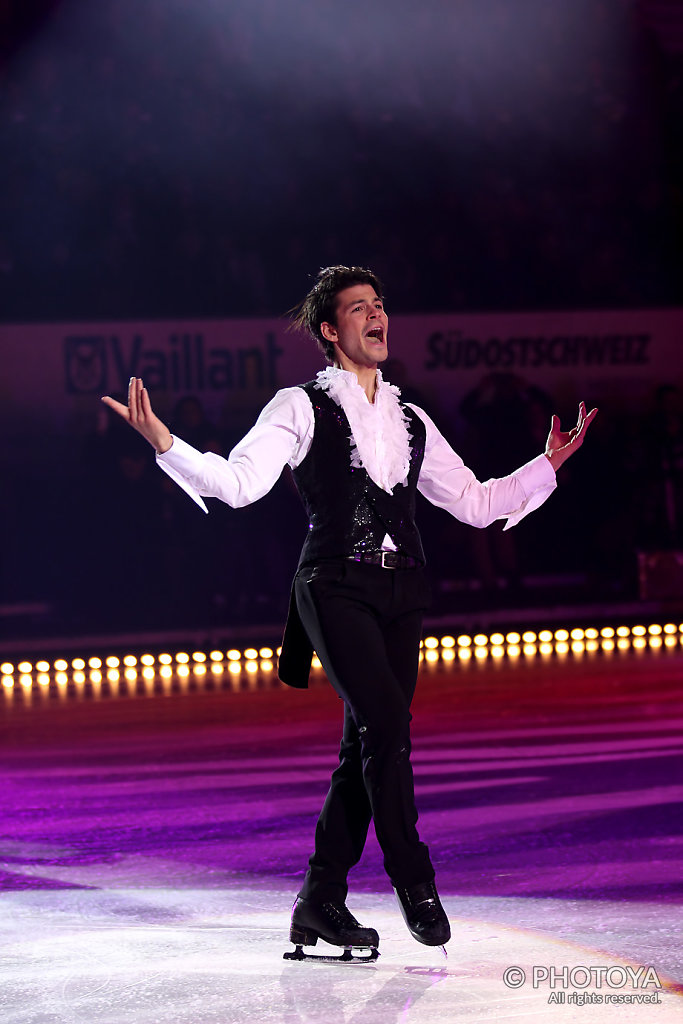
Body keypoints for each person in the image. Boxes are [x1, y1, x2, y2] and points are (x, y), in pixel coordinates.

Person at [102, 265, 597, 959]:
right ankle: (414, 880)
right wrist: (164, 441)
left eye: (381, 304)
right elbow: (240, 485)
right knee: (387, 726)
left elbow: (477, 503)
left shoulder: (410, 419)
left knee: (364, 747)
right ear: (330, 331)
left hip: (403, 593)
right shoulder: (298, 407)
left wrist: (544, 466)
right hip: (332, 585)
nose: (377, 315)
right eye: (359, 308)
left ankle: (319, 900)